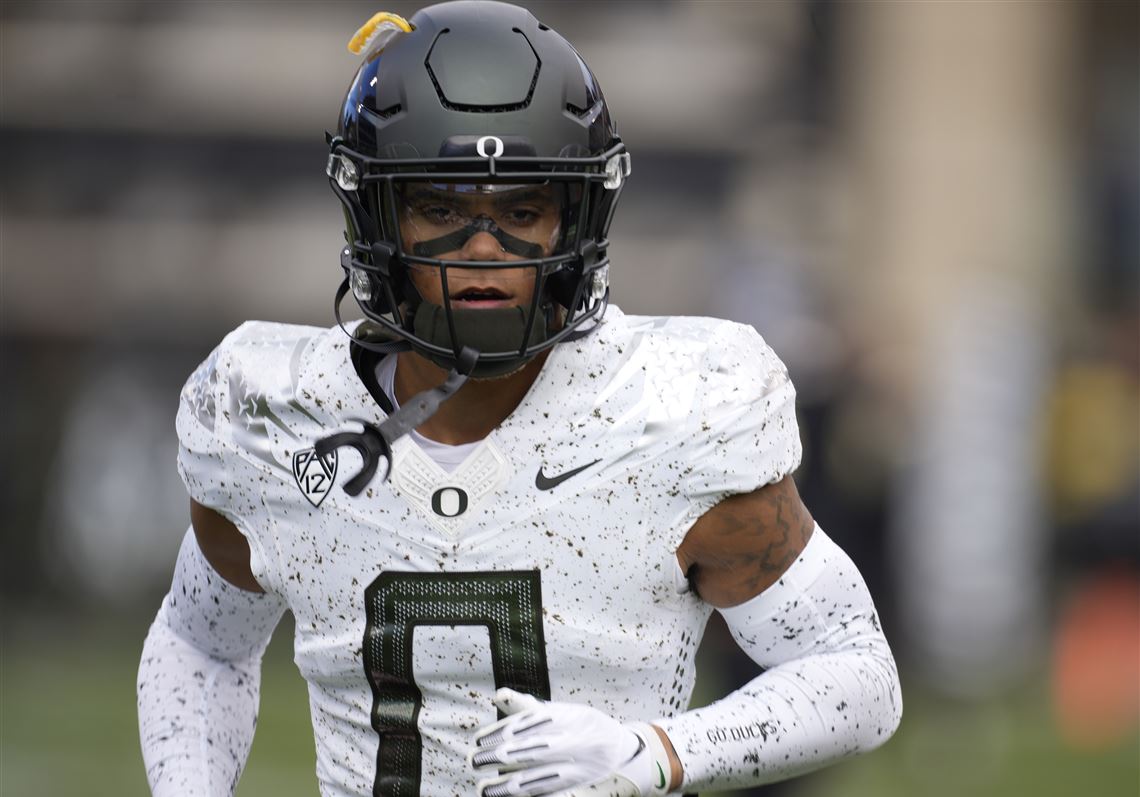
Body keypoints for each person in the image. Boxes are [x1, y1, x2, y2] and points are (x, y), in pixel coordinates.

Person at [137, 3, 902, 796]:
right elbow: (201, 644)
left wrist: (654, 752)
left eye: (522, 210)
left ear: (578, 217)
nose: (482, 250)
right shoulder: (282, 419)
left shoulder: (671, 413)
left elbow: (855, 672)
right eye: (440, 207)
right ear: (373, 211)